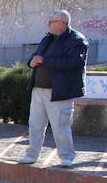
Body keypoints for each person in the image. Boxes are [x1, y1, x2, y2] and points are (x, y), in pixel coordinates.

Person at [20, 10, 88, 168]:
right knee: (35, 124)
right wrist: (31, 62)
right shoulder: (47, 38)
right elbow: (35, 57)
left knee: (60, 126)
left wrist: (44, 60)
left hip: (60, 92)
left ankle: (67, 157)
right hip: (39, 89)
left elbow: (71, 62)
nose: (48, 24)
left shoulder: (77, 40)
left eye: (51, 21)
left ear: (62, 23)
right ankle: (31, 155)